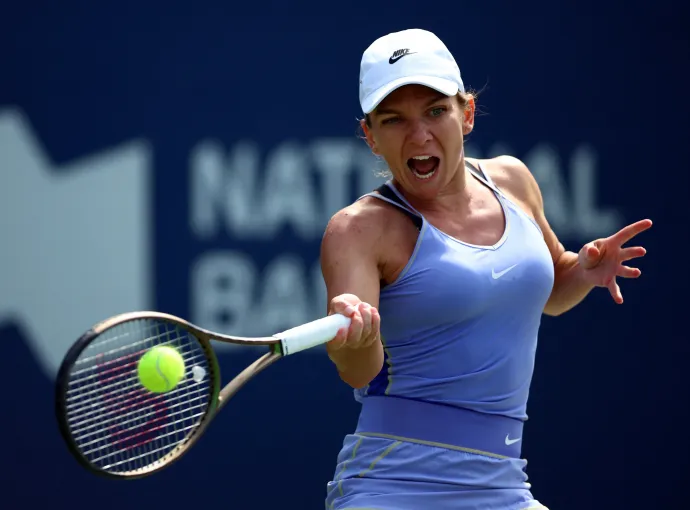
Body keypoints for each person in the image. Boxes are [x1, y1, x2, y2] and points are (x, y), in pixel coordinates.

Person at [320, 28, 652, 510]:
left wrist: (583, 269)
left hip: (504, 486)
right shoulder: (357, 230)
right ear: (370, 136)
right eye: (393, 120)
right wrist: (358, 338)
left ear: (467, 113)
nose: (419, 135)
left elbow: (552, 290)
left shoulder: (514, 180)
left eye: (436, 111)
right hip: (391, 484)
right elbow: (357, 372)